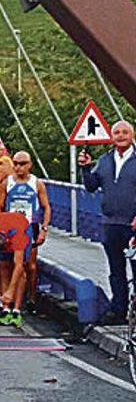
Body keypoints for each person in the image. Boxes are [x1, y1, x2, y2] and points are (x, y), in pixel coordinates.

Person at [79, 120, 136, 324]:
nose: (120, 136)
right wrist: (86, 169)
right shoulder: (104, 160)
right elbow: (91, 187)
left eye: (125, 132)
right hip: (111, 223)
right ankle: (118, 311)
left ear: (132, 135)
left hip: (133, 225)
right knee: (116, 270)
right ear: (112, 136)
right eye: (117, 132)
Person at [0, 151, 51, 311]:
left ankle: (31, 298)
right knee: (6, 265)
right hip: (10, 228)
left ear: (30, 165)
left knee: (29, 265)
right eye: (16, 163)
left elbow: (46, 207)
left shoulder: (37, 183)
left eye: (23, 164)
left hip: (30, 227)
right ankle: (7, 301)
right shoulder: (7, 183)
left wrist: (44, 229)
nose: (18, 167)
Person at [0, 211, 33, 328]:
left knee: (20, 272)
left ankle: (17, 309)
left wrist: (11, 291)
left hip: (22, 226)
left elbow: (18, 266)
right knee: (3, 268)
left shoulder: (18, 236)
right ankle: (6, 308)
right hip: (2, 231)